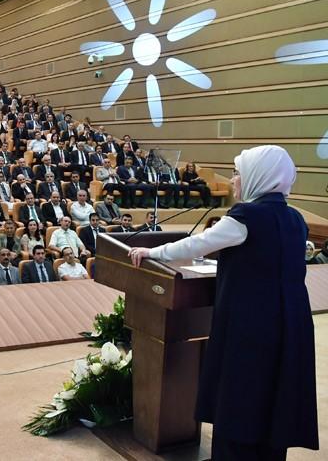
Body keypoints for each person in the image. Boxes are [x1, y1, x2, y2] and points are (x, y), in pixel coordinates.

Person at [128, 145, 318, 458]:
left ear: (258, 176)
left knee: (242, 395)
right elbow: (265, 262)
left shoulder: (247, 215)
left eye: (238, 173)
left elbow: (197, 244)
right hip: (290, 323)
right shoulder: (295, 218)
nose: (232, 180)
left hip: (251, 324)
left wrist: (152, 252)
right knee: (272, 396)